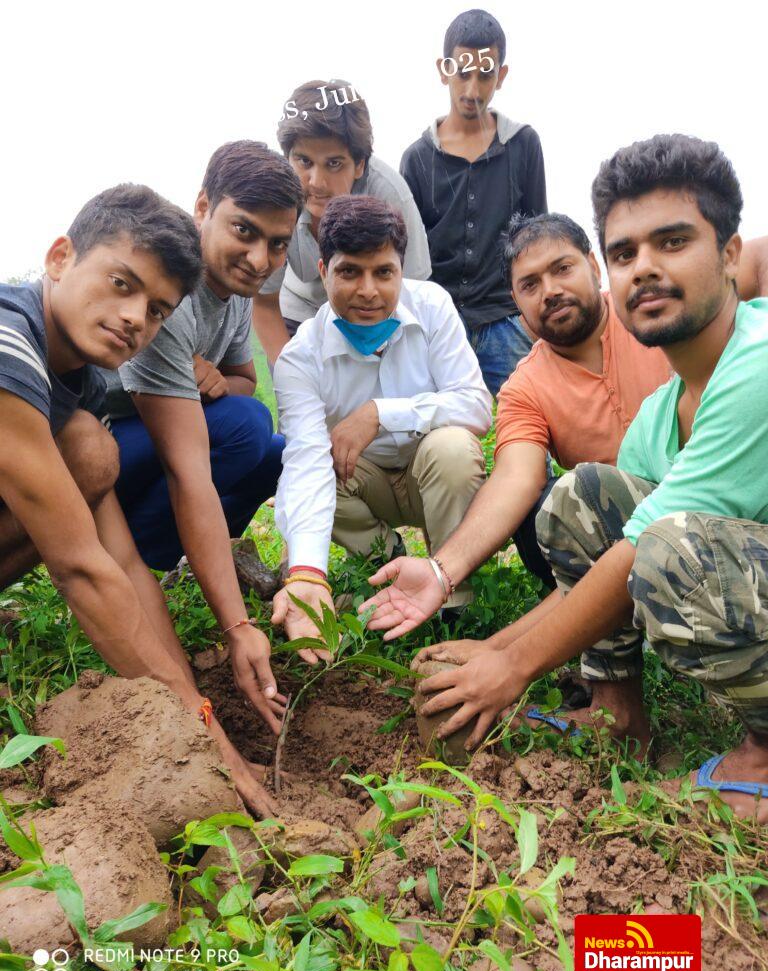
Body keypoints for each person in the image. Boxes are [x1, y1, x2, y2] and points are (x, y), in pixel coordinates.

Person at [411, 134, 768, 821]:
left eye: (673, 242)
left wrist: (511, 670)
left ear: (729, 254)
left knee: (669, 548)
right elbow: (601, 558)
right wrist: (490, 650)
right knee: (583, 496)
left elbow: (641, 554)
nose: (646, 269)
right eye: (627, 253)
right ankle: (617, 714)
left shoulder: (753, 367)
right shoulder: (659, 413)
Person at [0, 185, 280, 817]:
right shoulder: (9, 346)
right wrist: (213, 747)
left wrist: (201, 717)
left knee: (93, 451)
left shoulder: (82, 384)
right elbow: (80, 570)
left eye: (156, 309)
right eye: (121, 283)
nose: (135, 318)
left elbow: (121, 565)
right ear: (58, 257)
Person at [361, 212, 672, 638]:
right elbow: (514, 479)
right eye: (530, 284)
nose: (551, 291)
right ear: (515, 301)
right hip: (615, 528)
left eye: (562, 269)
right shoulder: (525, 386)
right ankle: (607, 622)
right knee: (543, 513)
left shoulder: (653, 315)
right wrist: (440, 571)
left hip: (708, 498)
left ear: (594, 266)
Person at [103, 142, 302, 725]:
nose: (259, 258)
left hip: (167, 433)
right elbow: (193, 463)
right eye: (244, 230)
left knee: (272, 450)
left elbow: (243, 382)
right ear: (202, 207)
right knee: (244, 430)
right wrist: (237, 627)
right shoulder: (176, 291)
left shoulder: (234, 296)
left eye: (277, 243)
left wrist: (208, 380)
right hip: (107, 443)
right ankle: (133, 556)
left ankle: (171, 554)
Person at [271, 195, 491, 661]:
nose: (368, 290)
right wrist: (307, 573)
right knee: (317, 468)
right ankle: (384, 569)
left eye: (383, 273)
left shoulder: (431, 306)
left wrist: (381, 412)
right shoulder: (300, 358)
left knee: (453, 447)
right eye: (350, 272)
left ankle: (452, 595)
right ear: (323, 268)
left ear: (400, 269)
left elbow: (476, 406)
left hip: (429, 475)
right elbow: (306, 463)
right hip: (363, 481)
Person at [400, 8, 547, 397]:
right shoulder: (417, 158)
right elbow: (406, 254)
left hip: (505, 321)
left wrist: (529, 322)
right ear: (443, 69)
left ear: (501, 75)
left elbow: (537, 240)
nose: (472, 89)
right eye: (462, 73)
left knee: (530, 429)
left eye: (485, 75)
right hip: (437, 327)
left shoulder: (524, 145)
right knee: (432, 437)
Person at [252, 79, 431, 364]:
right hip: (299, 313)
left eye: (334, 163)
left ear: (360, 164)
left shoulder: (390, 195)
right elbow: (263, 304)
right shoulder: (276, 197)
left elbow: (417, 295)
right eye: (304, 162)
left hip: (372, 316)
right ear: (287, 158)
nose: (317, 183)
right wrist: (290, 377)